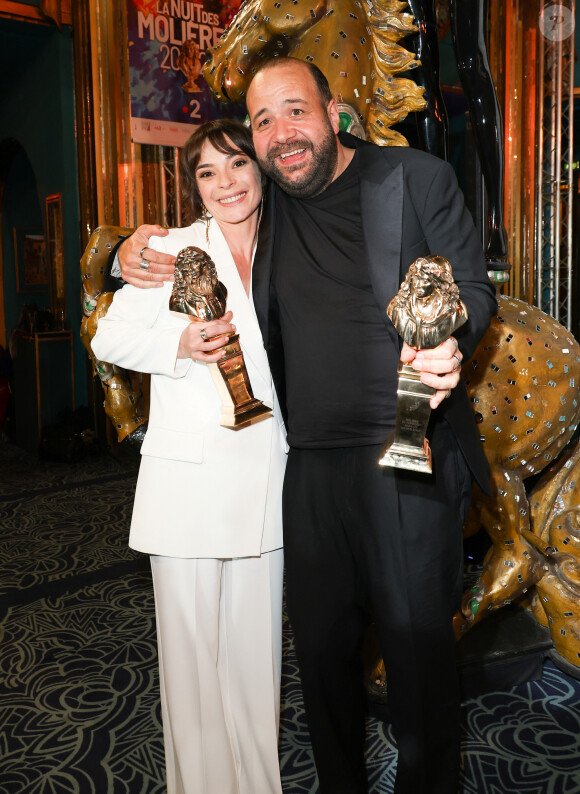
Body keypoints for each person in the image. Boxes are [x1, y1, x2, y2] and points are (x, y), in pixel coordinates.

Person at [116, 58, 497, 794]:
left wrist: (450, 333)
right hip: (307, 471)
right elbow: (189, 229)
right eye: (262, 121)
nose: (281, 133)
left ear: (334, 111)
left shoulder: (414, 178)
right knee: (323, 671)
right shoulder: (270, 202)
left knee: (420, 674)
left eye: (295, 111)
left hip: (408, 454)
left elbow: (472, 287)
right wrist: (120, 250)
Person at [91, 119, 287, 794]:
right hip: (188, 489)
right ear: (192, 186)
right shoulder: (171, 251)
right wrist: (176, 349)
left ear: (260, 168)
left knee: (257, 666)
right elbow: (107, 337)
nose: (226, 182)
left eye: (237, 165)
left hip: (269, 483)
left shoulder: (294, 244)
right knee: (191, 666)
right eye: (207, 172)